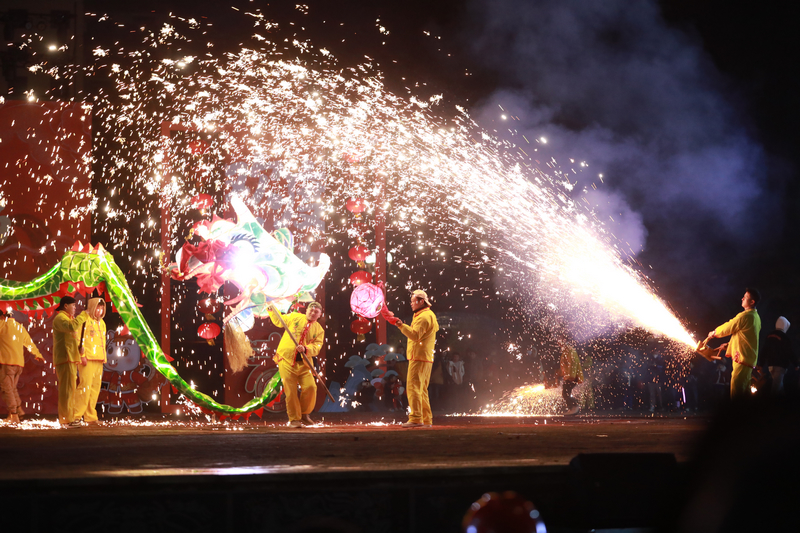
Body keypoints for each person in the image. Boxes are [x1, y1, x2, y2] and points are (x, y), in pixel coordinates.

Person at [269, 302, 324, 428]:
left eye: (316, 312)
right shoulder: (294, 317)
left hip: (305, 363)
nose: (312, 313)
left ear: (320, 315)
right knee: (291, 390)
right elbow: (279, 321)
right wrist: (272, 308)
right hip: (287, 359)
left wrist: (306, 348)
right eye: (311, 310)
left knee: (311, 387)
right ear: (307, 310)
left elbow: (317, 347)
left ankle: (304, 414)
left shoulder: (319, 330)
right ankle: (294, 419)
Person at [388, 289, 439, 428]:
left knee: (413, 388)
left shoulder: (423, 317)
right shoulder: (427, 315)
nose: (411, 304)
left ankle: (416, 418)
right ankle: (426, 419)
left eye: (413, 301)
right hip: (424, 357)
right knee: (421, 389)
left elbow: (415, 335)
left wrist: (399, 324)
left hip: (419, 357)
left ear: (421, 301)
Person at [708, 288, 762, 398]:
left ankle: (737, 414)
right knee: (744, 390)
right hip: (748, 359)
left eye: (745, 297)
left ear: (752, 302)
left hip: (742, 358)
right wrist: (728, 345)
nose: (742, 298)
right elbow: (744, 337)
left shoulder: (746, 316)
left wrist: (714, 333)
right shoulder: (756, 317)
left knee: (737, 390)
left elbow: (729, 326)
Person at [0, 306, 45, 424]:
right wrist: (37, 354)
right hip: (19, 364)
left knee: (7, 389)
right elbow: (29, 342)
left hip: (7, 363)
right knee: (12, 388)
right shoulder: (19, 327)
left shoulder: (2, 325)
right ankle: (19, 411)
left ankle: (14, 414)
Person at [52, 295, 88, 427]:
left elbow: (70, 337)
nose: (75, 308)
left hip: (71, 358)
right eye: (73, 305)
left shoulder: (67, 318)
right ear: (65, 306)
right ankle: (66, 419)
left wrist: (79, 349)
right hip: (65, 359)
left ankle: (70, 417)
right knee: (66, 391)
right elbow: (72, 327)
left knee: (71, 390)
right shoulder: (60, 318)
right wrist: (84, 315)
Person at [73, 297, 107, 425]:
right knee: (85, 387)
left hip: (99, 359)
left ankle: (91, 416)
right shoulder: (84, 320)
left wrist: (104, 358)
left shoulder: (102, 323)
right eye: (98, 307)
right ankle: (76, 416)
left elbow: (103, 342)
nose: (100, 310)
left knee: (94, 388)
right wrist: (81, 355)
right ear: (92, 307)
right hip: (87, 358)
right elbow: (77, 338)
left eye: (102, 307)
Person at [759, 316, 795, 394]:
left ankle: (782, 402)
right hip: (781, 365)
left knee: (779, 385)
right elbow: (790, 352)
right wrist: (796, 364)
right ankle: (774, 404)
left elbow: (764, 350)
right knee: (776, 388)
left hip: (770, 365)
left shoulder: (769, 336)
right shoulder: (785, 338)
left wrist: (761, 364)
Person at [558, 338, 584, 415]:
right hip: (569, 376)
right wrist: (560, 373)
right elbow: (565, 365)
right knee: (566, 393)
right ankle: (573, 408)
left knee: (565, 393)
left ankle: (574, 407)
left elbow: (573, 364)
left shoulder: (570, 351)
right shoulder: (566, 351)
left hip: (572, 376)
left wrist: (571, 376)